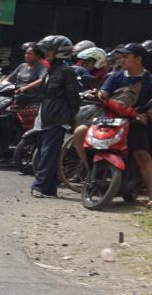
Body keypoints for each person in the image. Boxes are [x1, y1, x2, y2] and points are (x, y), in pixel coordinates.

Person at [76, 43, 152, 197]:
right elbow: (104, 91)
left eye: (126, 57)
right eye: (121, 57)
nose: (121, 60)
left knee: (142, 156)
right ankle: (90, 171)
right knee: (79, 132)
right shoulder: (115, 76)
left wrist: (146, 113)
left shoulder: (149, 79)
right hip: (110, 118)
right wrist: (99, 95)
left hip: (134, 121)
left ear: (138, 59)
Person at [22, 36, 82, 197]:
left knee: (48, 155)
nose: (46, 53)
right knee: (44, 153)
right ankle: (49, 189)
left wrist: (70, 119)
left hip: (56, 120)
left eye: (50, 50)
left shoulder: (66, 72)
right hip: (44, 117)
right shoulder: (51, 70)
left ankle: (39, 186)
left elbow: (73, 99)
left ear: (59, 52)